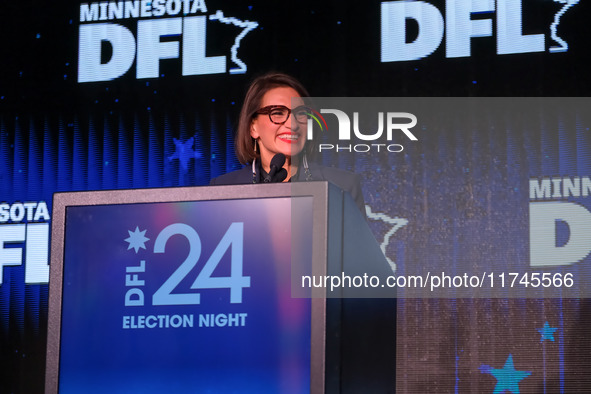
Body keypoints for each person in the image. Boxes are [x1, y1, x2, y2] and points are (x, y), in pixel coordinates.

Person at [210, 72, 366, 215]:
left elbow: (357, 245)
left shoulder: (343, 186)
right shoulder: (223, 188)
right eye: (277, 113)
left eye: (301, 114)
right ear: (253, 127)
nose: (292, 124)